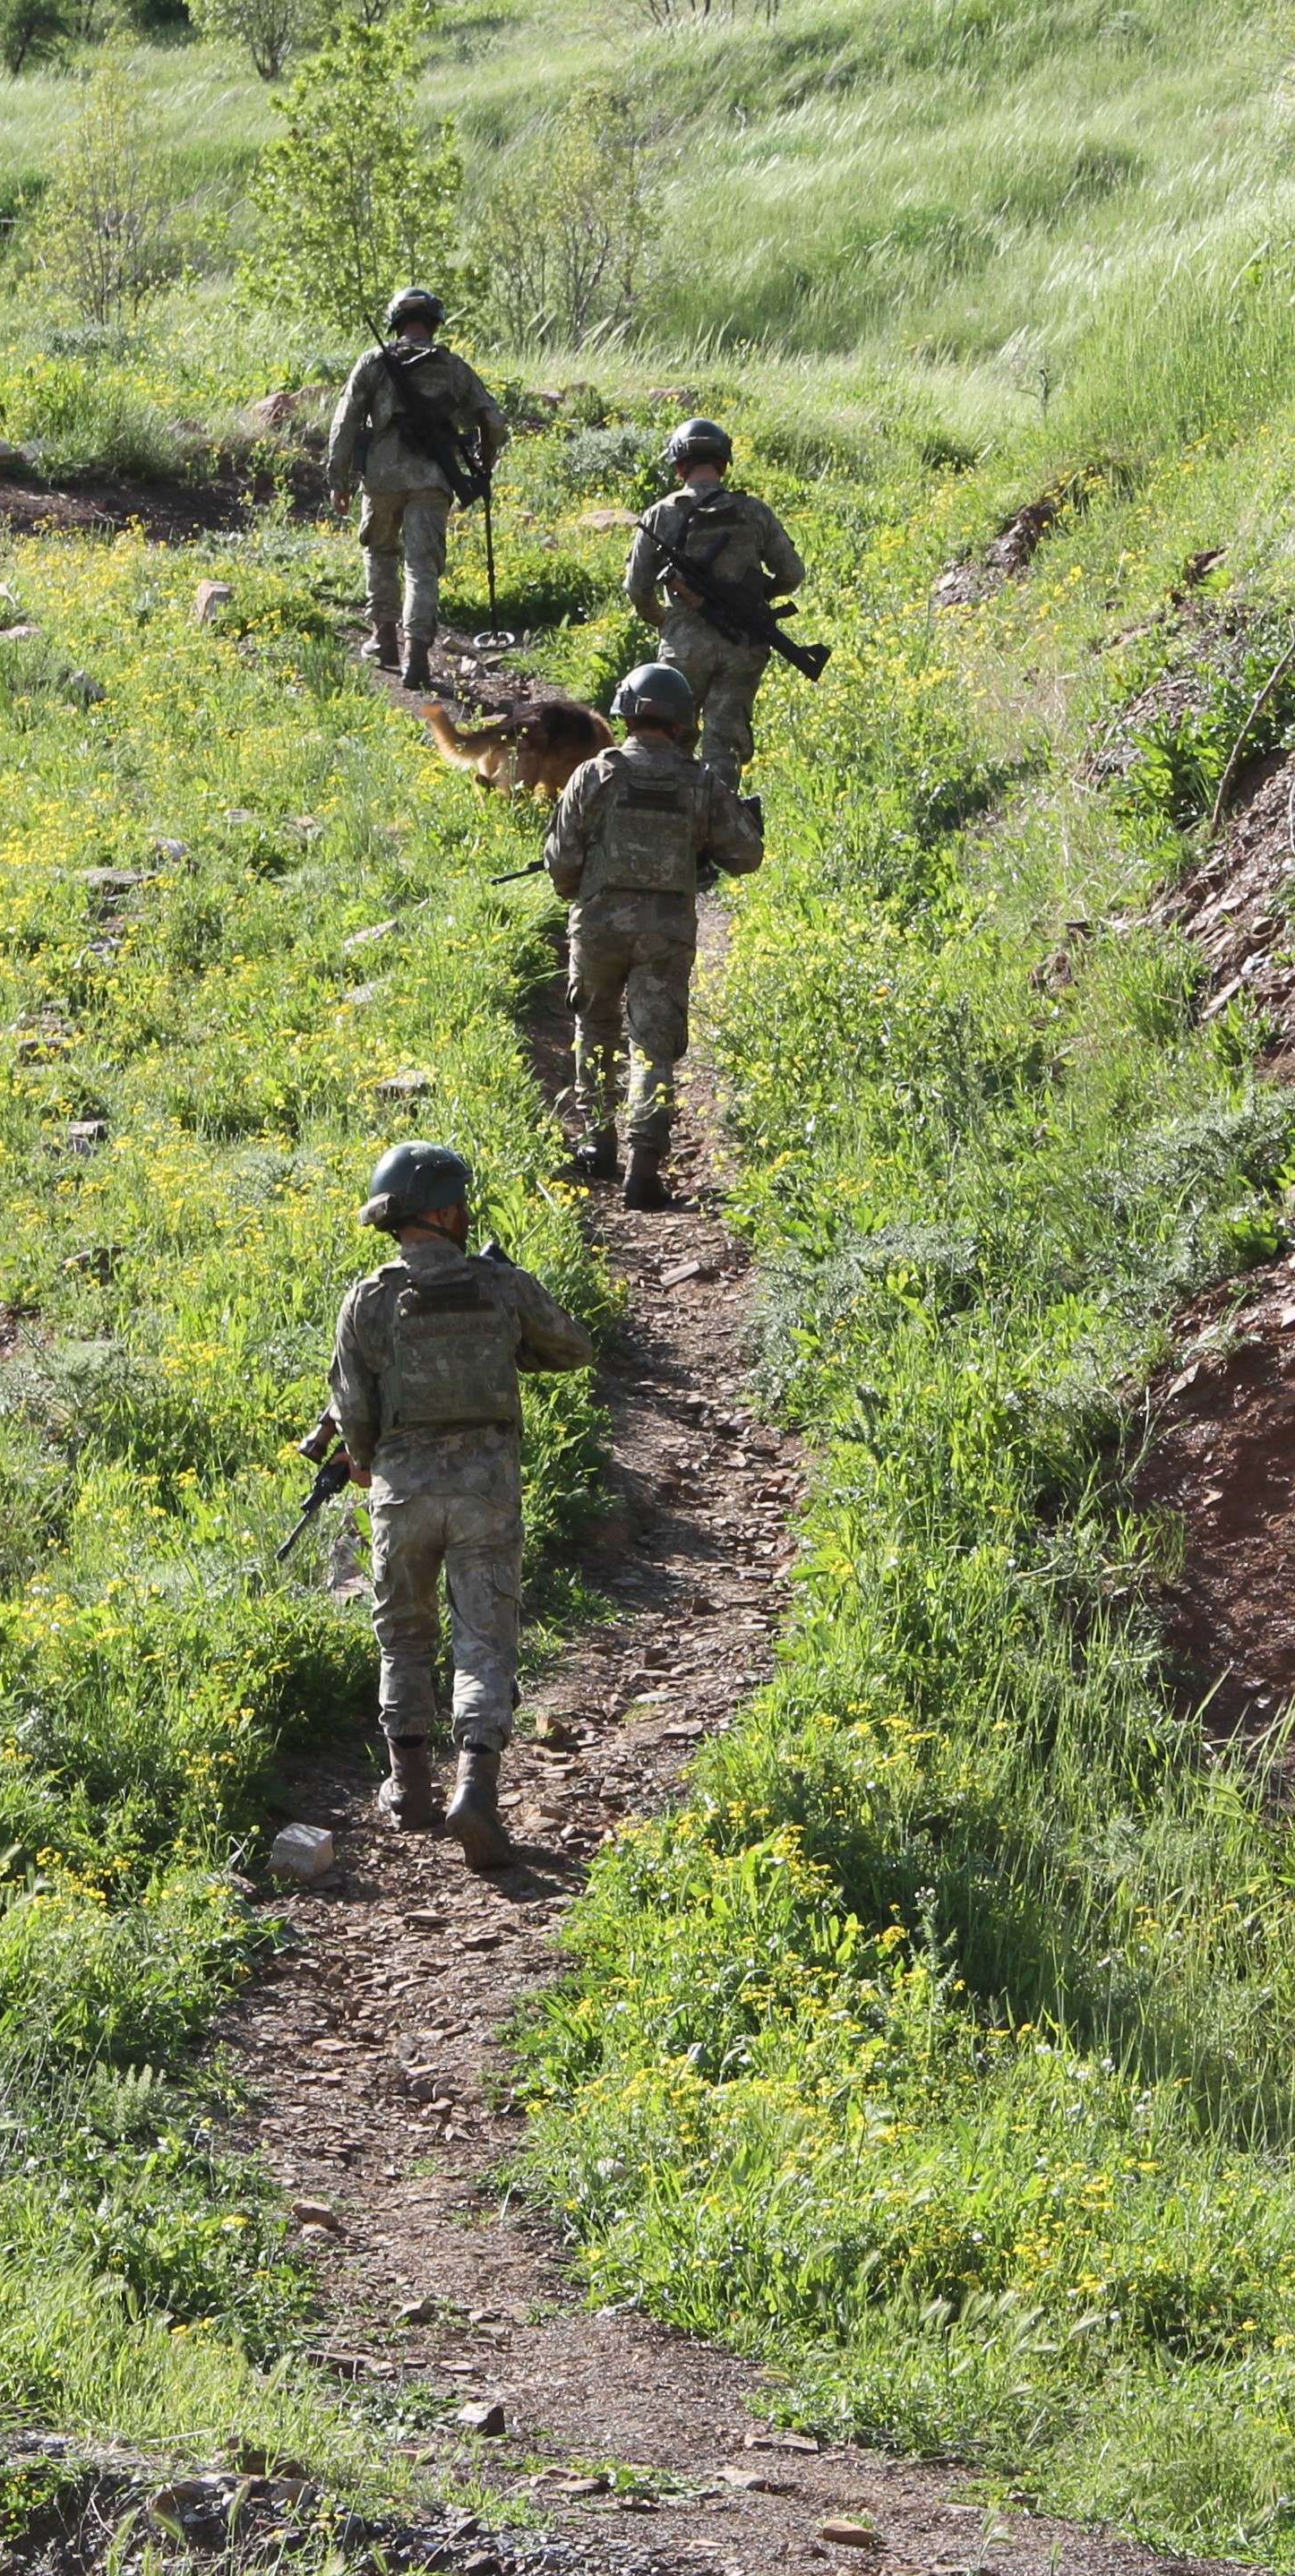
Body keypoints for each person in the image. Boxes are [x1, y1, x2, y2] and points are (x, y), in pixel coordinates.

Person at [323, 1141, 594, 1867]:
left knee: (404, 1637)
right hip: (485, 1496)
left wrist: (371, 1464)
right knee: (482, 1642)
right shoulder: (499, 1286)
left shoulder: (368, 1297)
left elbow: (352, 1409)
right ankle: (474, 1791)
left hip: (402, 1496)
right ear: (442, 1210)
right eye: (462, 1202)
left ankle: (408, 1789)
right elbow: (574, 1347)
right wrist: (512, 1311)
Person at [542, 662, 764, 1209]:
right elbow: (746, 856)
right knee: (653, 1046)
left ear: (626, 712)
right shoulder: (701, 782)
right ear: (682, 720)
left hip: (597, 928)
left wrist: (588, 893)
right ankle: (643, 1170)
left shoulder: (595, 774)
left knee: (595, 1027)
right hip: (667, 936)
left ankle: (597, 1146)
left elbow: (561, 864)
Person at [324, 288, 502, 684]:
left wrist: (339, 480)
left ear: (396, 323)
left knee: (380, 551)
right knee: (422, 566)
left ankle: (383, 639)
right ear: (434, 324)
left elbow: (346, 421)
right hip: (432, 479)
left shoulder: (373, 362)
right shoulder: (454, 367)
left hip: (382, 477)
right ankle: (417, 656)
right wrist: (486, 464)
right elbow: (491, 419)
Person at [622, 417, 806, 778]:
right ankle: (720, 824)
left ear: (679, 467)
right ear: (723, 465)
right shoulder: (753, 511)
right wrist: (756, 595)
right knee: (723, 748)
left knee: (671, 744)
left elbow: (637, 587)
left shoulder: (662, 513)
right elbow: (792, 574)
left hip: (684, 649)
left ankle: (673, 820)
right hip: (742, 646)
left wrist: (665, 620)